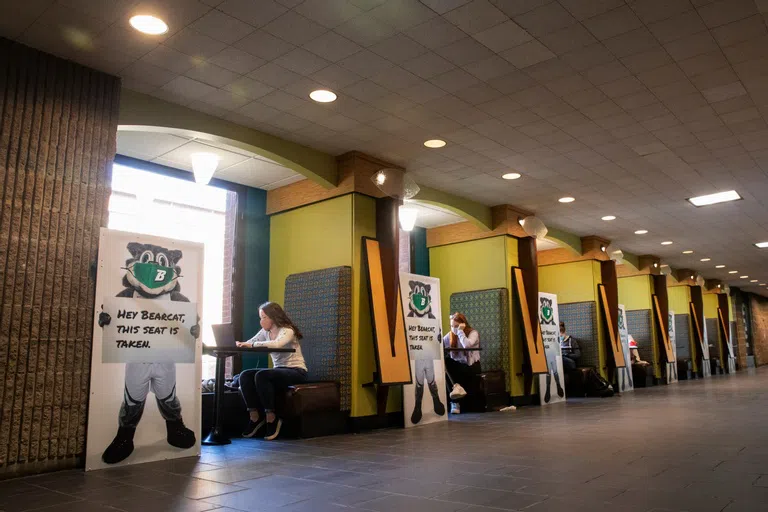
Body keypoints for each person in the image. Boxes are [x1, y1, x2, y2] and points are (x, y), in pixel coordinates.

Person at [235, 302, 307, 441]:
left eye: (264, 317)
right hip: (279, 370)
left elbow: (277, 344)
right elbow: (251, 342)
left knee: (262, 375)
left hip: (296, 371)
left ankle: (271, 417)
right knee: (245, 375)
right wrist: (240, 344)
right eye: (260, 317)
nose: (261, 321)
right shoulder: (265, 332)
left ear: (273, 318)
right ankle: (254, 417)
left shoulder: (287, 330)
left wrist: (252, 345)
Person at [442, 313, 480, 414]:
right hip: (458, 366)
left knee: (452, 367)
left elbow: (467, 345)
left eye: (456, 326)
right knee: (446, 362)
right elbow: (440, 344)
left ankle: (457, 397)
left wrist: (460, 331)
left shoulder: (473, 333)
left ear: (463, 325)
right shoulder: (451, 335)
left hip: (471, 366)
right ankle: (455, 401)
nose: (453, 329)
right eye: (451, 326)